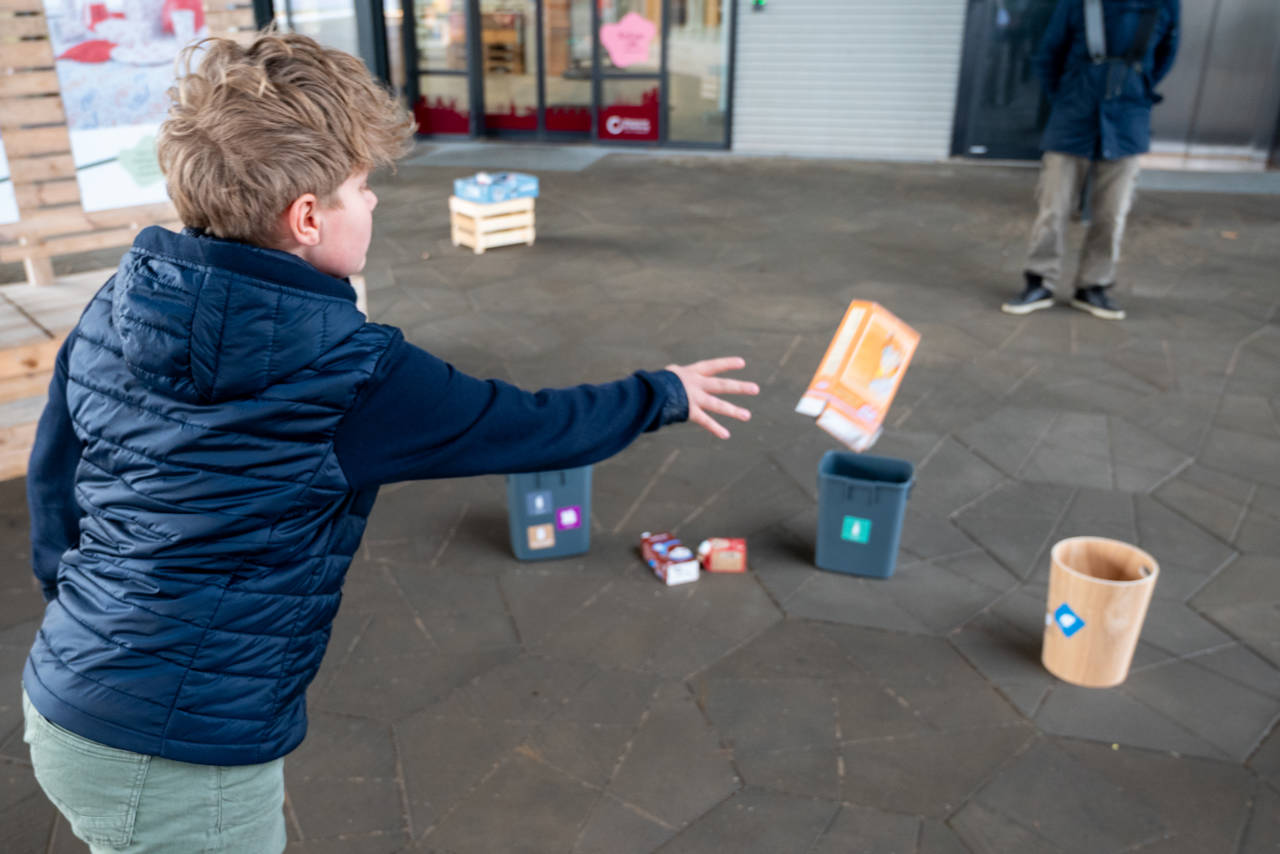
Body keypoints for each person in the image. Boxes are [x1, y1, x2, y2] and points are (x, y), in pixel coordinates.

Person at [20, 33, 757, 853]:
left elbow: (55, 485)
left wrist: (89, 621)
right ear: (306, 217)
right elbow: (531, 424)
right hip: (182, 758)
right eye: (362, 187)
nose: (372, 204)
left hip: (63, 698)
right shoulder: (352, 374)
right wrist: (664, 393)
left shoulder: (112, 306)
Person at [1002, 0, 1179, 320]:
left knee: (1112, 213)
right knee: (1052, 208)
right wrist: (1068, 98)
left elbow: (1167, 52)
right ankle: (1039, 281)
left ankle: (1092, 286)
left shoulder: (1166, 4)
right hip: (1073, 118)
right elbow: (1048, 55)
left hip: (1127, 121)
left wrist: (1138, 88)